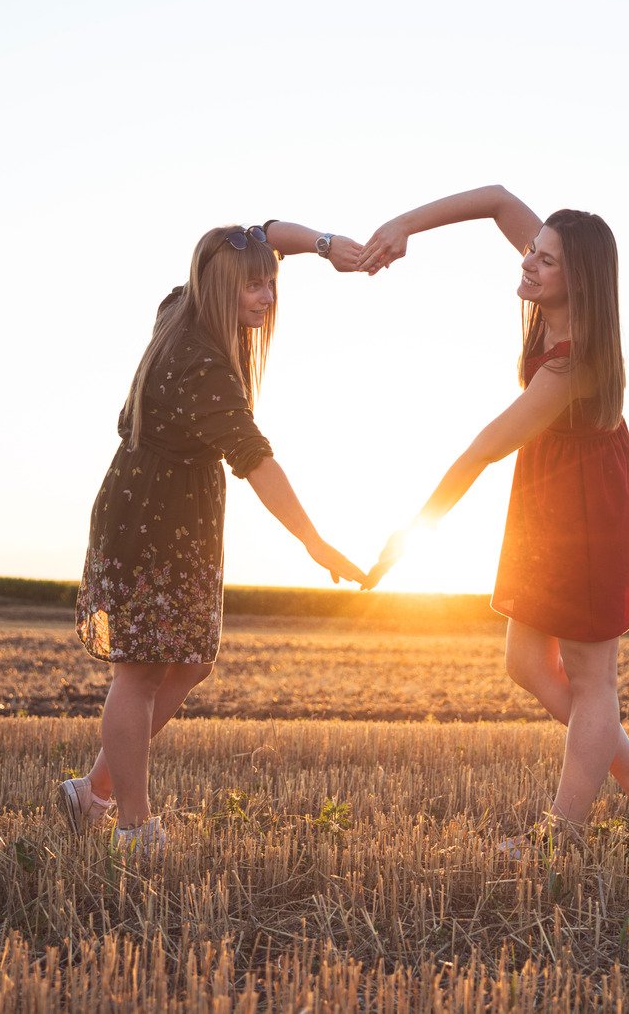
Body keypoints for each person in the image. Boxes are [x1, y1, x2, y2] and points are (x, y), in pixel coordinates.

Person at [356, 186, 629, 838]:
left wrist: (414, 530)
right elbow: (499, 200)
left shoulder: (573, 364)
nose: (529, 261)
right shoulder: (556, 282)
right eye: (534, 249)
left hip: (591, 518)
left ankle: (560, 837)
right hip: (549, 505)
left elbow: (483, 450)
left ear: (578, 279)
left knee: (591, 678)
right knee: (526, 664)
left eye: (547, 259)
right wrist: (404, 225)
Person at [59, 221, 368, 853]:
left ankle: (88, 792)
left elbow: (255, 233)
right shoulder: (202, 364)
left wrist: (324, 246)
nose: (265, 296)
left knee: (190, 662)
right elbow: (257, 462)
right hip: (149, 526)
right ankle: (133, 826)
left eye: (271, 282)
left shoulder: (181, 304)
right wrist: (314, 541)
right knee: (139, 673)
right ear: (221, 286)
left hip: (176, 520)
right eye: (253, 286)